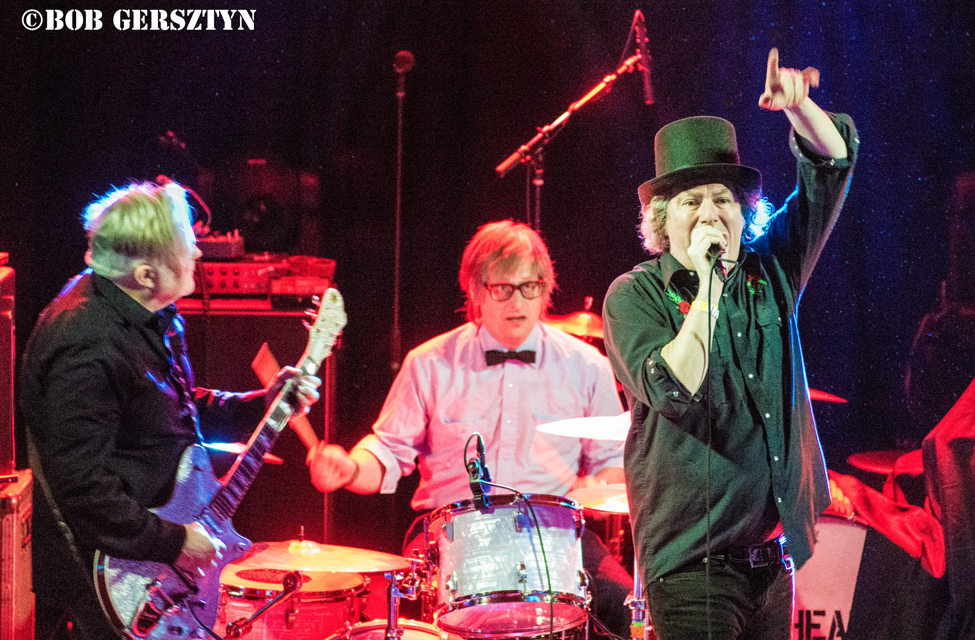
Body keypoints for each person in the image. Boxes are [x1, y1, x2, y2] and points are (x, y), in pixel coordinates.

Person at [602, 48, 858, 640]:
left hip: (771, 561)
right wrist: (709, 286)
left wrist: (800, 108)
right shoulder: (634, 295)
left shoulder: (773, 269)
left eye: (723, 199)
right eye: (691, 202)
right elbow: (673, 388)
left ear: (745, 214)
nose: (710, 214)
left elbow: (832, 166)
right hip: (691, 569)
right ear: (662, 222)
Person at [20, 180, 322, 639]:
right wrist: (173, 542)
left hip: (151, 561)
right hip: (108, 586)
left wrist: (260, 405)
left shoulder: (143, 310)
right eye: (186, 247)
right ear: (145, 274)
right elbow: (82, 487)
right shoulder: (86, 344)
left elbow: (168, 409)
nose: (198, 253)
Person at [307, 219, 633, 637]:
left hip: (552, 535)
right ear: (476, 291)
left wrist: (595, 488)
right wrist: (350, 468)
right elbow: (387, 451)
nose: (518, 301)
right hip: (448, 535)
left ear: (545, 288)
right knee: (388, 616)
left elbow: (612, 463)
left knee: (627, 608)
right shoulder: (429, 363)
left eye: (530, 287)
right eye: (503, 289)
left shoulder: (587, 366)